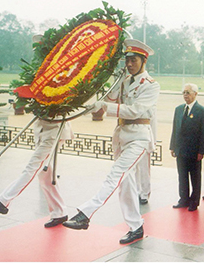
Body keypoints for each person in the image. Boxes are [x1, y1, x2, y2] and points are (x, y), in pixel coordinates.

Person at [63, 39, 160, 245]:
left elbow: (135, 111)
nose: (130, 64)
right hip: (122, 135)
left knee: (116, 174)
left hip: (139, 137)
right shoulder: (125, 80)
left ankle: (85, 214)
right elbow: (112, 97)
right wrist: (114, 80)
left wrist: (106, 107)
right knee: (125, 183)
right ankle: (136, 227)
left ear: (144, 61)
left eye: (134, 60)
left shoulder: (151, 85)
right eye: (127, 60)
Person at [0, 119, 74, 228]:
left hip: (54, 133)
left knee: (31, 168)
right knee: (45, 176)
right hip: (42, 131)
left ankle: (2, 202)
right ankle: (59, 213)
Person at [170, 83, 204, 212]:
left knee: (195, 177)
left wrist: (201, 151)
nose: (185, 95)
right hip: (181, 149)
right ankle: (183, 199)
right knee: (182, 176)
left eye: (188, 92)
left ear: (195, 94)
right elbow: (175, 129)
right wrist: (173, 146)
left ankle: (194, 201)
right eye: (184, 92)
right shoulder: (179, 109)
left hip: (194, 151)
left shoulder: (202, 111)